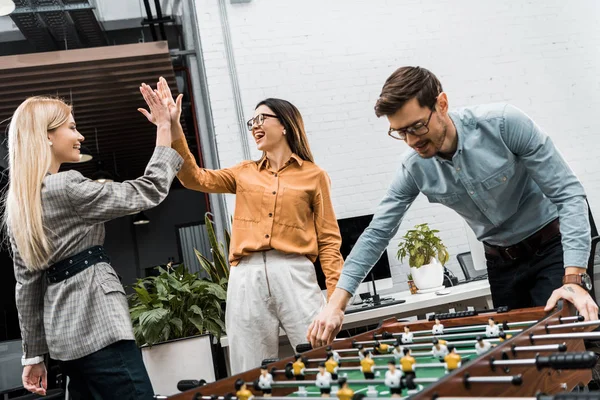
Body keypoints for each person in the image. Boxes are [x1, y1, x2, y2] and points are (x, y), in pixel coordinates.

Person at [307, 66, 598, 347]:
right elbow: (377, 233)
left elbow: (569, 194)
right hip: (501, 264)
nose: (411, 141)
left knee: (561, 349)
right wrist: (336, 305)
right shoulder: (413, 169)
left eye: (418, 126)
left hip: (552, 249)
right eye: (400, 132)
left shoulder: (504, 124)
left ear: (441, 104)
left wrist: (574, 279)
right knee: (518, 356)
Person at [139, 78, 344, 374]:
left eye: (262, 118)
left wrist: (334, 301)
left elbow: (328, 241)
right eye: (252, 122)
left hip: (294, 271)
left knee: (321, 357)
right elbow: (194, 178)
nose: (255, 126)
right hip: (246, 276)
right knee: (249, 368)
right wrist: (174, 126)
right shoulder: (243, 172)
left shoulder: (314, 176)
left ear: (285, 124)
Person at [3, 88, 183, 398]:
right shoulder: (66, 187)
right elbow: (149, 189)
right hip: (99, 325)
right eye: (71, 127)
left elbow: (27, 286)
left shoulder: (18, 205)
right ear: (46, 136)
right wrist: (164, 127)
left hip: (64, 338)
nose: (81, 136)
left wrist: (32, 356)